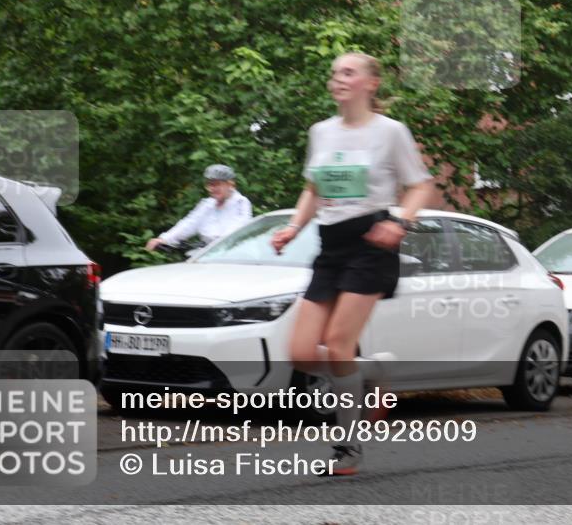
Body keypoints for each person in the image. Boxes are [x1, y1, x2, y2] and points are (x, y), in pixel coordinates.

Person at [271, 52, 435, 476]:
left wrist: (400, 222)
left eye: (348, 72)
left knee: (339, 344)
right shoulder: (320, 132)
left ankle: (348, 450)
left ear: (371, 84)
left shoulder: (390, 132)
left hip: (372, 241)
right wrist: (293, 227)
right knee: (302, 352)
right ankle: (373, 371)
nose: (337, 79)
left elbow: (420, 186)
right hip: (331, 246)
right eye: (334, 73)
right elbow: (313, 188)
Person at [145, 164, 253, 251]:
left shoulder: (241, 203)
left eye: (217, 184)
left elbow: (238, 229)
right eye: (210, 185)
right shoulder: (207, 204)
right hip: (206, 254)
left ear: (230, 185)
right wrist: (164, 239)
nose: (212, 189)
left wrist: (217, 243)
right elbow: (189, 223)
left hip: (231, 254)